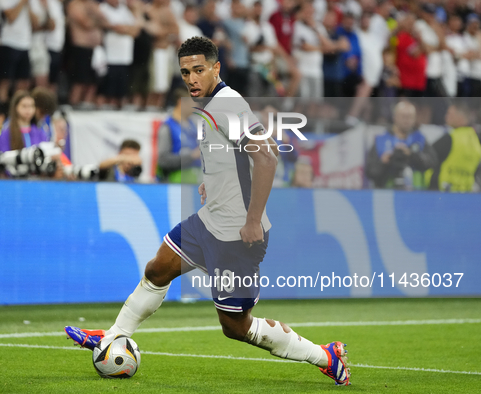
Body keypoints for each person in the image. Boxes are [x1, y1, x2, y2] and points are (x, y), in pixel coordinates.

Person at [64, 36, 350, 386]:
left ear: (217, 68)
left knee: (235, 326)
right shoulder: (208, 104)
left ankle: (325, 355)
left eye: (199, 70)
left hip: (236, 233)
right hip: (210, 220)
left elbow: (267, 155)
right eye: (185, 72)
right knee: (158, 269)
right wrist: (212, 182)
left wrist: (253, 219)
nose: (191, 78)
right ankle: (113, 334)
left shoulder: (228, 104)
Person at [365, 101, 437, 190]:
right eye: (403, 116)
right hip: (387, 196)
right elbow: (369, 172)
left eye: (410, 117)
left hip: (416, 195)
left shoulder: (420, 139)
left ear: (415, 119)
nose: (406, 120)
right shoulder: (381, 140)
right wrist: (383, 163)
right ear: (394, 117)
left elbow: (433, 163)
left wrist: (412, 155)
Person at [428, 101, 481, 192]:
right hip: (467, 192)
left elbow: (428, 158)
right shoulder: (476, 140)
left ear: (460, 117)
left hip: (443, 191)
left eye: (449, 114)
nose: (446, 117)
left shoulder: (451, 138)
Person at [0, 0, 36, 101]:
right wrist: (22, 2)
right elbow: (11, 17)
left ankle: (18, 108)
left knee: (23, 81)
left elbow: (35, 24)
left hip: (25, 44)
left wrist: (28, 6)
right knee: (5, 80)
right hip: (9, 42)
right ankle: (1, 107)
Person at [156, 88, 200, 183]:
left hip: (194, 185)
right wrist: (192, 156)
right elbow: (163, 160)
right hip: (174, 186)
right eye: (193, 101)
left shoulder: (194, 126)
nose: (196, 105)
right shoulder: (167, 127)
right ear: (181, 102)